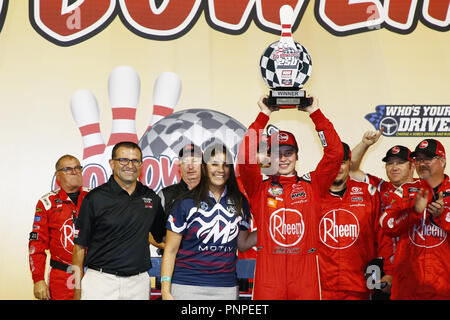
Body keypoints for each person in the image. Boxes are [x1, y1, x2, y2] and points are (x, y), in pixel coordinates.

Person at [236, 95, 343, 300]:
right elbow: (245, 156)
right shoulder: (259, 188)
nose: (283, 158)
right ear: (269, 157)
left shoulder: (313, 185)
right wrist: (263, 114)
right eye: (277, 153)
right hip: (269, 275)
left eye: (289, 152)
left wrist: (315, 114)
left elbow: (335, 153)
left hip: (305, 275)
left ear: (297, 156)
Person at [72, 141, 166, 300]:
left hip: (138, 283)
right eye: (123, 160)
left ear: (141, 164)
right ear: (112, 163)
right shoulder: (95, 198)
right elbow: (79, 248)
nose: (130, 165)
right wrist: (76, 290)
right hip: (100, 282)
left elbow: (162, 238)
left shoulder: (151, 198)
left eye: (135, 161)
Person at [161, 144, 254, 300]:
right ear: (204, 168)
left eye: (225, 165)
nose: (220, 169)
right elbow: (170, 250)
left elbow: (243, 244)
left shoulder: (239, 201)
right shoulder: (185, 202)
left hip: (226, 288)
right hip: (186, 286)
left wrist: (269, 228)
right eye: (215, 164)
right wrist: (165, 289)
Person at [319, 142, 392, 299]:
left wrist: (390, 272)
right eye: (333, 162)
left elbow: (384, 237)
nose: (338, 167)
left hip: (358, 288)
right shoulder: (312, 194)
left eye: (342, 162)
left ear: (349, 164)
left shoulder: (368, 194)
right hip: (320, 289)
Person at [380, 138, 450, 299]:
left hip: (443, 289)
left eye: (427, 159)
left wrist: (442, 217)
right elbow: (387, 225)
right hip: (407, 289)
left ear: (443, 161)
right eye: (418, 159)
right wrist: (413, 212)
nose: (422, 163)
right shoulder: (404, 190)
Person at [350, 130, 416, 296]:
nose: (394, 167)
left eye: (400, 163)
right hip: (382, 271)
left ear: (412, 166)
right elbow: (350, 170)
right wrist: (365, 144)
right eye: (390, 163)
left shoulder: (425, 189)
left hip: (415, 272)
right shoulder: (380, 188)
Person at [28, 155, 89, 300]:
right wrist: (38, 280)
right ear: (57, 176)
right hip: (63, 275)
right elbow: (37, 244)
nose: (74, 171)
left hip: (94, 274)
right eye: (68, 169)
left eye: (77, 168)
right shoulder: (47, 203)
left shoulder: (94, 197)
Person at [150, 143, 203, 251]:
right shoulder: (165, 195)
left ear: (203, 165)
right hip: (174, 263)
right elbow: (150, 231)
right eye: (185, 161)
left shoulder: (213, 194)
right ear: (179, 165)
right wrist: (170, 250)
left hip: (206, 262)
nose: (190, 166)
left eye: (195, 161)